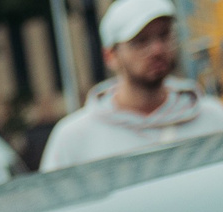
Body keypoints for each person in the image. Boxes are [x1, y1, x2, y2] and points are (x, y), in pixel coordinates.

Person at [40, 0, 223, 169]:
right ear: (110, 56)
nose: (157, 49)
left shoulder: (213, 118)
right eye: (140, 41)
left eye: (164, 34)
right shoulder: (73, 138)